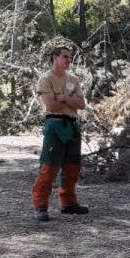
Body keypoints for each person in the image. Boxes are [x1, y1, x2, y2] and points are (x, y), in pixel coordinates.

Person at [30, 46, 89, 221]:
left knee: (72, 167)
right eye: (65, 56)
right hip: (54, 124)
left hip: (72, 125)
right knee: (49, 167)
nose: (68, 60)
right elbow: (51, 106)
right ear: (54, 58)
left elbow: (82, 104)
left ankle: (69, 204)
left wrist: (62, 98)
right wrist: (69, 101)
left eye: (69, 57)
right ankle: (40, 206)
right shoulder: (46, 79)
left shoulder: (73, 79)